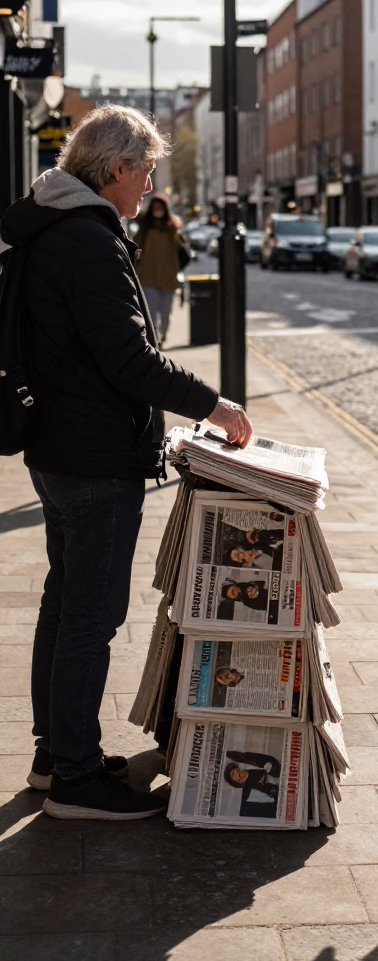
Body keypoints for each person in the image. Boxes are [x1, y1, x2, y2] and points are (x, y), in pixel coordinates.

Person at [0, 104, 253, 821]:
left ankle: (58, 752)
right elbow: (128, 358)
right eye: (144, 171)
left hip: (61, 446)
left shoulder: (57, 225)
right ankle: (76, 779)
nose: (147, 185)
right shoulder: (87, 238)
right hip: (93, 455)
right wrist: (215, 406)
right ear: (116, 170)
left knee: (64, 602)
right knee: (90, 614)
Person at [135, 193, 190, 345]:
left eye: (160, 208)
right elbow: (135, 248)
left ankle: (162, 337)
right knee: (151, 313)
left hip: (168, 277)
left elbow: (184, 251)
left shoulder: (173, 228)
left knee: (166, 313)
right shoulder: (145, 228)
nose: (157, 210)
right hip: (148, 277)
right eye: (155, 207)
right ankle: (154, 341)